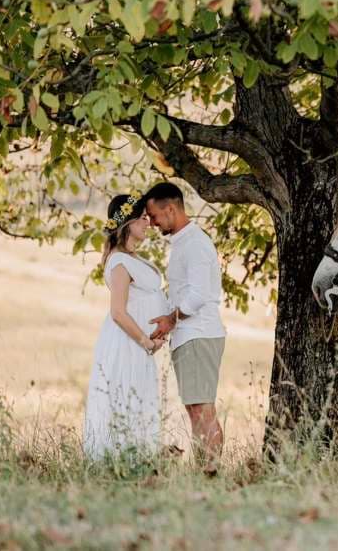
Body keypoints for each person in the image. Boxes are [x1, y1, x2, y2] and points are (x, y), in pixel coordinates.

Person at [144, 182, 227, 471]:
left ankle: (210, 474)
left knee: (202, 410)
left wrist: (170, 320)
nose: (152, 223)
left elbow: (197, 297)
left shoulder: (195, 244)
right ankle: (205, 471)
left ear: (171, 208)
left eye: (154, 216)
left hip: (199, 334)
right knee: (195, 409)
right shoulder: (182, 243)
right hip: (188, 336)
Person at [83, 191, 168, 459]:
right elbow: (118, 312)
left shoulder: (131, 257)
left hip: (139, 344)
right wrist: (146, 341)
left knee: (138, 401)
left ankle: (138, 462)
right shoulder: (119, 261)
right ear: (127, 224)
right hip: (128, 343)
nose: (148, 223)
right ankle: (121, 462)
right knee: (125, 400)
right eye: (142, 218)